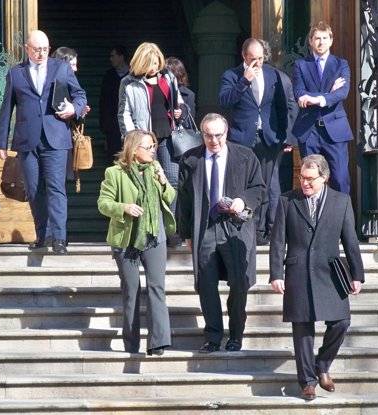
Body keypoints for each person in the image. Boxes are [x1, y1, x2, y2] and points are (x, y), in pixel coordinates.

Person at [269, 154, 364, 401]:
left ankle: (322, 365)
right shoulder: (287, 201)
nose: (305, 183)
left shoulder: (341, 202)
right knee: (302, 329)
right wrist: (276, 273)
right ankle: (307, 382)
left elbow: (350, 240)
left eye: (311, 178)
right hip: (298, 270)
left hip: (330, 272)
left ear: (324, 178)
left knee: (341, 322)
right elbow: (278, 241)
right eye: (302, 177)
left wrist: (357, 274)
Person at [177, 113, 266, 353]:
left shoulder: (245, 156)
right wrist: (185, 233)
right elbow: (184, 200)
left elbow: (259, 188)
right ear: (202, 134)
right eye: (208, 135)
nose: (214, 140)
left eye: (218, 135)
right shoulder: (191, 159)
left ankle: (236, 335)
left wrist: (243, 200)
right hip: (204, 228)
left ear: (226, 133)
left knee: (239, 283)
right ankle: (213, 337)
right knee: (205, 285)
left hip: (235, 229)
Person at [0, 30, 87, 254]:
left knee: (56, 188)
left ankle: (59, 238)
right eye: (37, 50)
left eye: (45, 49)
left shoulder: (62, 68)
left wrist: (73, 108)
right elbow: (7, 108)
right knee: (35, 190)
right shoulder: (16, 74)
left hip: (55, 137)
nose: (41, 54)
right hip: (27, 140)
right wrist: (0, 142)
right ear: (27, 49)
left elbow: (80, 95)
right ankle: (42, 234)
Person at [97, 129, 175, 355]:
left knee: (157, 288)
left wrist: (162, 181)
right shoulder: (115, 173)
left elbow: (170, 197)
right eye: (148, 147)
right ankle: (131, 343)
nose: (153, 151)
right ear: (133, 149)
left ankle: (158, 342)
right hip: (127, 238)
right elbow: (103, 203)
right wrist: (124, 208)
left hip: (154, 236)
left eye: (154, 147)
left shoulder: (155, 170)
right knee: (131, 291)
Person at [219, 38, 288, 245]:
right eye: (252, 59)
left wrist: (284, 136)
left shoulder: (272, 74)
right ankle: (247, 227)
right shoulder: (232, 75)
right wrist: (244, 81)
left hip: (268, 137)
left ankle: (267, 231)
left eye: (260, 58)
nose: (257, 63)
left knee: (268, 186)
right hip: (243, 139)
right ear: (243, 56)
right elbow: (224, 101)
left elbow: (281, 106)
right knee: (245, 185)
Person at [118, 42, 184, 239]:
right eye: (150, 63)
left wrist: (179, 110)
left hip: (168, 136)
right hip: (144, 140)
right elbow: (124, 113)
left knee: (171, 180)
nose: (154, 67)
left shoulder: (168, 77)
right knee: (146, 183)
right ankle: (148, 229)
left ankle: (168, 229)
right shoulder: (129, 82)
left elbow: (177, 100)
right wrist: (132, 139)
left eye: (156, 63)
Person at [292, 21, 354, 194]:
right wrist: (328, 93)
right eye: (317, 38)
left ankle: (343, 220)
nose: (321, 42)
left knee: (340, 178)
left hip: (335, 130)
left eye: (325, 38)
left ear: (331, 40)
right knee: (310, 180)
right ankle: (313, 219)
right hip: (309, 131)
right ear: (310, 41)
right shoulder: (300, 65)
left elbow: (343, 93)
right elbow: (299, 93)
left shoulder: (341, 64)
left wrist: (318, 99)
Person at [258, 38, 299, 195]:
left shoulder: (278, 77)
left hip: (275, 138)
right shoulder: (282, 76)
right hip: (281, 138)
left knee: (274, 181)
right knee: (278, 180)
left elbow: (290, 109)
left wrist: (287, 140)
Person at [51, 46, 91, 182]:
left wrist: (78, 112)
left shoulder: (71, 87)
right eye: (72, 65)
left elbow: (79, 99)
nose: (75, 69)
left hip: (63, 141)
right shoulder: (50, 82)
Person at [100, 45, 130, 157]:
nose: (111, 59)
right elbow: (104, 103)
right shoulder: (109, 76)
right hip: (112, 125)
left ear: (121, 57)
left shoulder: (133, 75)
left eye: (113, 56)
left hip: (130, 124)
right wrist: (105, 129)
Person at [165, 56, 196, 129]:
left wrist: (182, 114)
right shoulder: (158, 91)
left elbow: (190, 121)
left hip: (179, 135)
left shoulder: (188, 94)